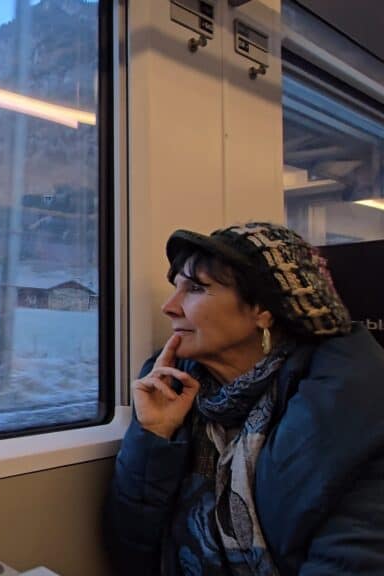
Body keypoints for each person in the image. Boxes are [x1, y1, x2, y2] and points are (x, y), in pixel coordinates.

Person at [105, 222, 384, 575]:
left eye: (196, 288)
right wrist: (153, 437)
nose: (169, 307)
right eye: (175, 288)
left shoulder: (352, 404)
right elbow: (131, 551)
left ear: (263, 311)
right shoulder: (172, 390)